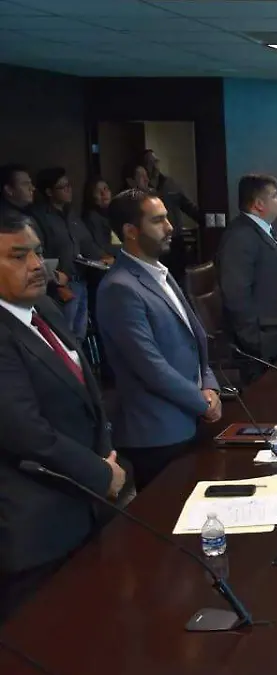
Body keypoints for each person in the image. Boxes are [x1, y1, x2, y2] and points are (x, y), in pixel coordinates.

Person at [0, 210, 127, 622]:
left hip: (88, 507)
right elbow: (27, 434)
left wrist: (105, 459)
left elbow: (89, 393)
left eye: (37, 252)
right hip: (37, 531)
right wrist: (101, 473)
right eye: (18, 256)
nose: (37, 264)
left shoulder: (44, 308)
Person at [95, 189, 221, 489]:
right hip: (157, 433)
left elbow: (194, 341)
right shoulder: (119, 288)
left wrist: (210, 386)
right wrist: (202, 402)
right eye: (158, 221)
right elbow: (150, 367)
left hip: (191, 419)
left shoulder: (160, 273)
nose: (170, 227)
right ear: (130, 231)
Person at [216, 175, 277, 374]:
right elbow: (236, 295)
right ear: (259, 204)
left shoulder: (265, 230)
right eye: (274, 196)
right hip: (267, 348)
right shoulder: (240, 237)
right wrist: (256, 342)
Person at [31, 168, 107, 340]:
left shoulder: (72, 215)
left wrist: (103, 257)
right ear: (49, 192)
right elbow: (38, 254)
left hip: (81, 280)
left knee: (80, 334)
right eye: (62, 187)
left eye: (69, 185)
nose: (68, 189)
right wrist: (57, 284)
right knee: (65, 335)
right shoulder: (40, 217)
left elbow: (87, 244)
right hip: (60, 286)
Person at [142, 149, 203, 284]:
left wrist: (207, 221)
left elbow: (187, 206)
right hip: (155, 242)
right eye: (150, 163)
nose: (154, 166)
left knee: (179, 279)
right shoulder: (142, 188)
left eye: (156, 161)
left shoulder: (170, 184)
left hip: (175, 240)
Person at [80, 176, 120, 259]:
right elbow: (103, 247)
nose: (104, 193)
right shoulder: (92, 217)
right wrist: (127, 249)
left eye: (106, 189)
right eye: (98, 191)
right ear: (91, 196)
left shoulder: (114, 213)